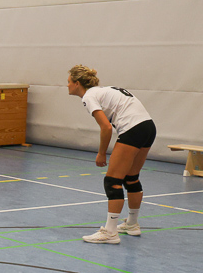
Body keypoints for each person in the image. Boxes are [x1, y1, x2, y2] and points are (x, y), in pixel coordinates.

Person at [67, 65, 156, 244]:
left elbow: (106, 127)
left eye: (69, 82)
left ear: (77, 83)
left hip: (133, 129)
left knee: (112, 181)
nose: (67, 85)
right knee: (131, 177)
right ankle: (132, 224)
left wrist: (101, 153)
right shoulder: (104, 91)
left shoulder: (89, 96)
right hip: (148, 127)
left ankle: (110, 232)